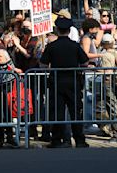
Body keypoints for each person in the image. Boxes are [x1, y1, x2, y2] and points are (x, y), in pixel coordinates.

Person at [40, 17, 89, 148]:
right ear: (69, 30)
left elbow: (43, 64)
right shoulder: (75, 45)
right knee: (75, 112)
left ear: (57, 30)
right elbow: (85, 62)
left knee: (57, 112)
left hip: (56, 82)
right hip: (73, 82)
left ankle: (57, 140)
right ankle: (79, 140)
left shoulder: (51, 46)